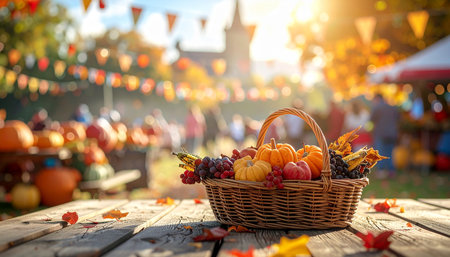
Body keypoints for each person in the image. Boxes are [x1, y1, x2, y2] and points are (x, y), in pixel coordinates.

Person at [370, 94, 400, 177]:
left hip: (381, 133)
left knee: (380, 152)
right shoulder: (393, 107)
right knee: (390, 152)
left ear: (377, 99)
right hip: (392, 133)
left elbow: (371, 120)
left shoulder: (377, 108)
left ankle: (381, 171)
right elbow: (398, 118)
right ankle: (391, 171)